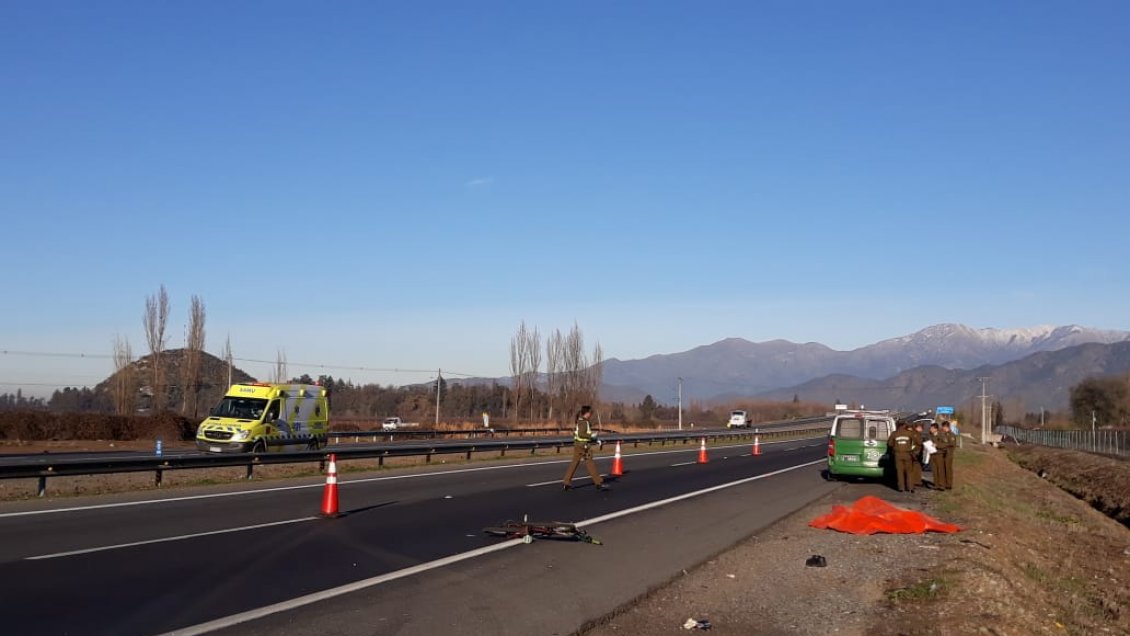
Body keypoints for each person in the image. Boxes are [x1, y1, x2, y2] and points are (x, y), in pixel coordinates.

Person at [562, 405, 609, 491]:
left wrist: (595, 439)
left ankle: (566, 482)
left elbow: (581, 434)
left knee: (574, 463)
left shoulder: (580, 421)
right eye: (590, 413)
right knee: (590, 464)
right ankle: (598, 483)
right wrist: (592, 436)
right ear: (586, 413)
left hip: (578, 445)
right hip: (583, 446)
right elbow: (581, 434)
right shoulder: (584, 422)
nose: (591, 415)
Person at [887, 420, 921, 493]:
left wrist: (896, 445)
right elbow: (918, 442)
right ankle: (910, 487)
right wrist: (913, 450)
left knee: (900, 471)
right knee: (909, 471)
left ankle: (901, 488)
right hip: (907, 454)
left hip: (898, 454)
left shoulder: (894, 433)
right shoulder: (909, 433)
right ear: (904, 425)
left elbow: (890, 444)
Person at [934, 421, 957, 490]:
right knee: (942, 469)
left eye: (944, 427)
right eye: (942, 427)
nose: (943, 428)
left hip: (949, 454)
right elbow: (938, 441)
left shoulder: (952, 435)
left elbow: (951, 444)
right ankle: (943, 484)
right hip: (942, 453)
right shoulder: (941, 434)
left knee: (948, 469)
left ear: (947, 427)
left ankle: (949, 484)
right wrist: (940, 445)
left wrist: (941, 445)